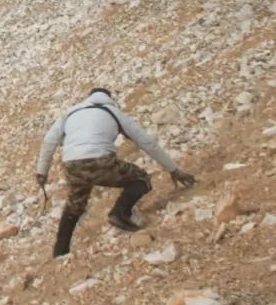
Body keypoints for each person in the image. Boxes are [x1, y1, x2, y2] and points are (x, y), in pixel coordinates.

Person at [34, 88, 196, 258]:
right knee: (141, 179)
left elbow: (49, 142)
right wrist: (174, 170)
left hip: (72, 164)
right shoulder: (113, 112)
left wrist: (42, 173)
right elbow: (147, 143)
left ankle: (60, 252)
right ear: (109, 98)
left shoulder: (70, 112)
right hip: (101, 160)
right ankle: (120, 213)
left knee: (75, 204)